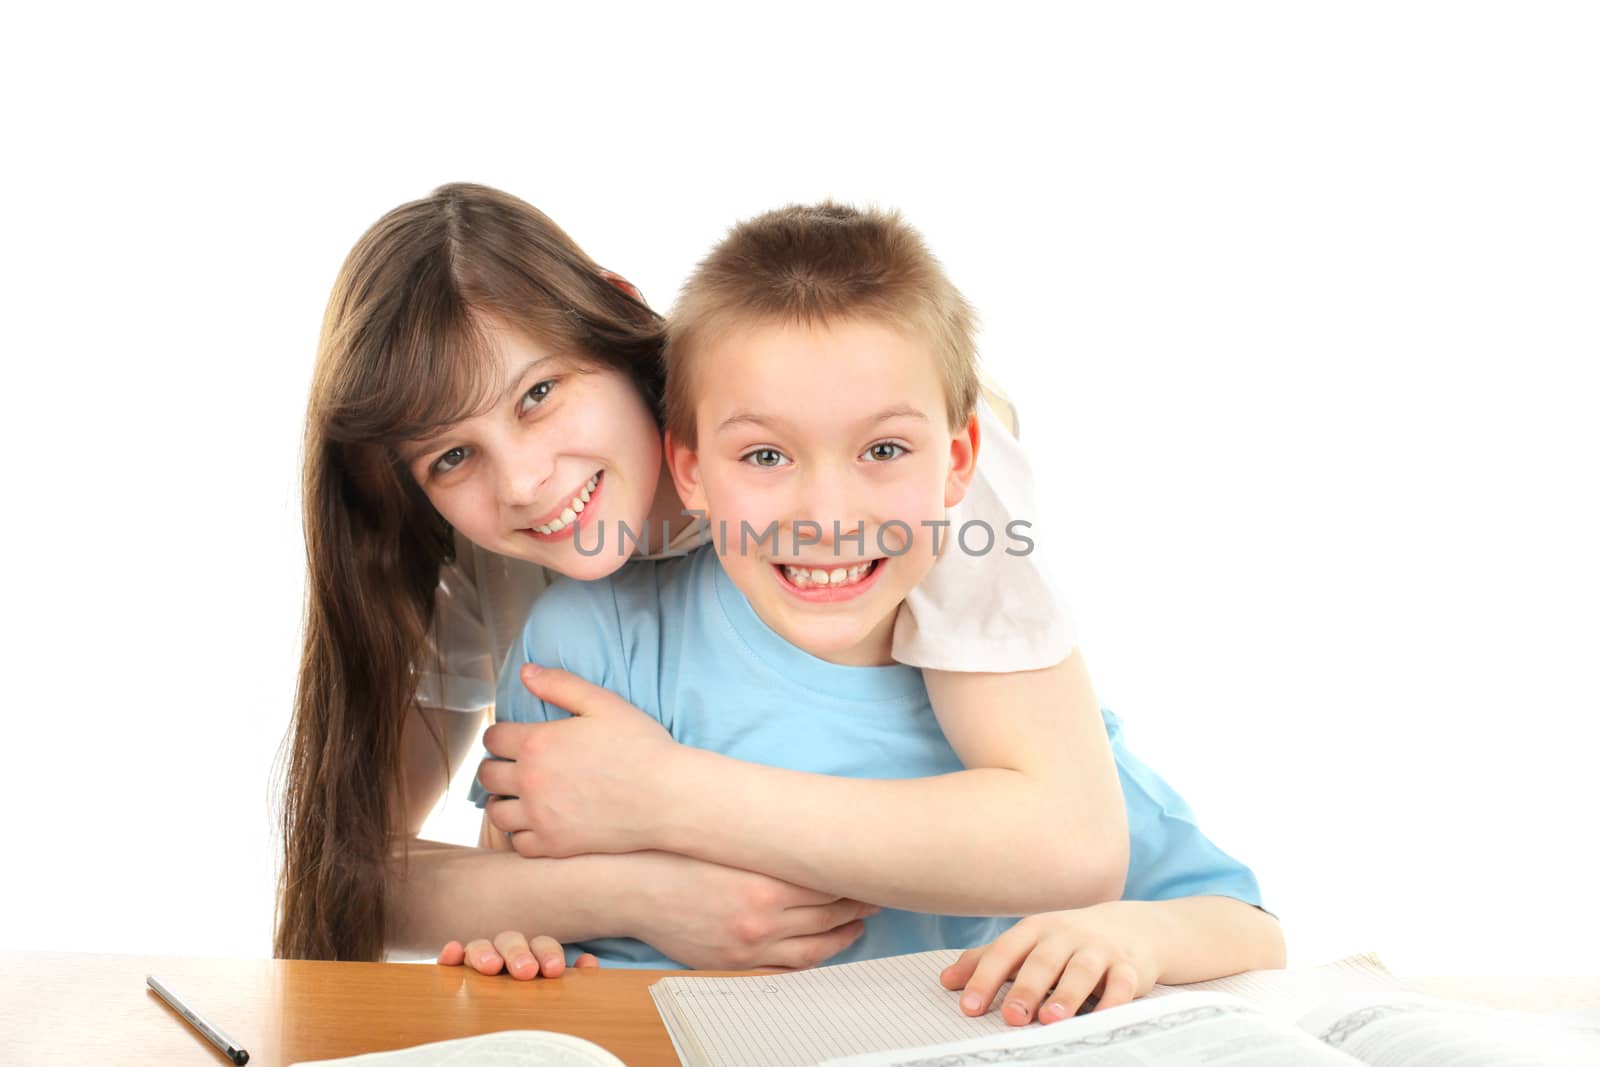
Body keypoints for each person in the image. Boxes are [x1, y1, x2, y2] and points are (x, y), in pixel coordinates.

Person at [447, 203, 1284, 1022]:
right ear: (692, 468)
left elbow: (1242, 924)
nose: (828, 515)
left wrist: (1136, 933)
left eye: (883, 450)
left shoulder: (1004, 718)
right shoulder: (583, 651)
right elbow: (520, 908)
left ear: (959, 462)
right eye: (766, 454)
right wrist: (517, 943)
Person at [278, 184, 1127, 965]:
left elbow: (1070, 837)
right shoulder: (479, 558)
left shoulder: (905, 481)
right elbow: (356, 871)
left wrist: (663, 796)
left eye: (537, 394)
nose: (523, 481)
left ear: (613, 305)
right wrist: (643, 895)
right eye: (453, 455)